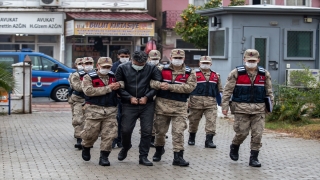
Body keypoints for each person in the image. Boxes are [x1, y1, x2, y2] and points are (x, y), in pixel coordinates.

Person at [221, 49, 274, 167]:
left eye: (253, 60)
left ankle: (254, 158)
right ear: (244, 59)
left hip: (259, 109)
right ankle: (235, 145)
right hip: (241, 108)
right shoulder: (236, 73)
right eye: (249, 60)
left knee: (258, 134)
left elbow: (269, 92)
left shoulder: (264, 74)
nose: (251, 62)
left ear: (258, 60)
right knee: (242, 133)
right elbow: (227, 91)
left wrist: (270, 106)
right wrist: (224, 107)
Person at [115, 51, 162, 166]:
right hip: (129, 104)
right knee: (125, 130)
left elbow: (157, 85)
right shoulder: (122, 68)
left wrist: (147, 96)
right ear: (132, 60)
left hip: (147, 104)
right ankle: (126, 147)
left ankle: (143, 156)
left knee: (147, 131)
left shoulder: (152, 68)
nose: (140, 66)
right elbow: (118, 86)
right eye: (137, 64)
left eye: (142, 64)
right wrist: (129, 97)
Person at [151, 49, 197, 167]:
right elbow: (151, 82)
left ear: (184, 58)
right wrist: (160, 85)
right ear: (170, 58)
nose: (177, 60)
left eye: (180, 58)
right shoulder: (161, 70)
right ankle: (159, 150)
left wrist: (171, 87)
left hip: (180, 107)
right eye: (175, 58)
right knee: (160, 132)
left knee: (178, 132)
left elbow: (190, 87)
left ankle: (178, 156)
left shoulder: (189, 72)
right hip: (162, 106)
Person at [80, 57, 120, 166]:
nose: (106, 69)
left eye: (108, 67)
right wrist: (109, 88)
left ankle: (104, 157)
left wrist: (119, 86)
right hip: (94, 110)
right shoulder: (88, 77)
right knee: (90, 134)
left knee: (109, 135)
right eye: (104, 67)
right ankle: (86, 147)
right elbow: (88, 91)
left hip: (110, 110)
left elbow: (122, 85)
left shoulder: (114, 76)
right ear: (98, 66)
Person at [187, 56, 223, 148]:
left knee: (211, 121)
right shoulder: (193, 74)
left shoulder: (216, 75)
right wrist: (187, 101)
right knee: (193, 121)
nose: (205, 65)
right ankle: (191, 137)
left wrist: (221, 104)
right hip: (195, 102)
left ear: (211, 64)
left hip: (211, 103)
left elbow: (219, 90)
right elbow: (187, 89)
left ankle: (209, 140)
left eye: (207, 63)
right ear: (199, 63)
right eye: (203, 63)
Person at [68, 57, 91, 150]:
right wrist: (91, 87)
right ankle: (79, 140)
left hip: (91, 100)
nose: (88, 65)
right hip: (79, 99)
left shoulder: (95, 74)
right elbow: (77, 87)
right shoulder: (76, 75)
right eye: (86, 63)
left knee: (89, 121)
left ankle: (88, 140)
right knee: (78, 119)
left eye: (90, 63)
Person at [111, 48, 131, 149]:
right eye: (122, 56)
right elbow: (113, 81)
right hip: (117, 97)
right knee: (116, 118)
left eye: (127, 57)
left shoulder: (132, 65)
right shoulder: (114, 66)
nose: (125, 58)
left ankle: (123, 141)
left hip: (128, 97)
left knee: (126, 119)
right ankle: (115, 139)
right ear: (118, 56)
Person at [147, 50, 162, 147]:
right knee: (149, 118)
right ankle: (150, 138)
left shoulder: (164, 69)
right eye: (153, 59)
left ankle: (156, 136)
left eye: (156, 59)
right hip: (148, 96)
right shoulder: (145, 68)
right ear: (149, 59)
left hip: (160, 96)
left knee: (158, 118)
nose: (155, 61)